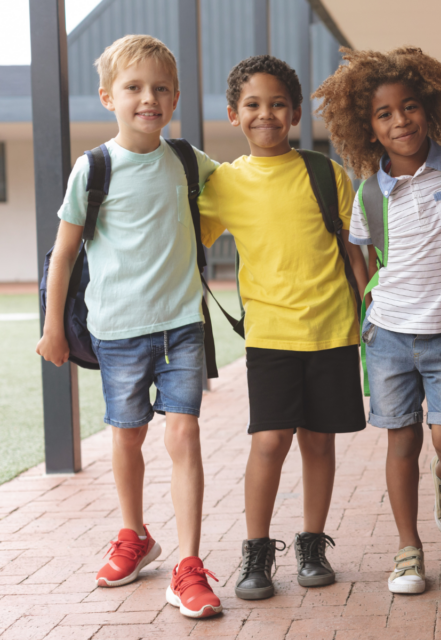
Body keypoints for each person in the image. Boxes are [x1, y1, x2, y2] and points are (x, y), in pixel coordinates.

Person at [35, 35, 221, 618]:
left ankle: (188, 566)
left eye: (161, 88)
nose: (149, 98)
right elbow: (63, 255)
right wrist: (52, 329)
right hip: (116, 330)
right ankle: (135, 535)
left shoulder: (189, 161)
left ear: (176, 98)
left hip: (182, 325)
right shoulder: (93, 168)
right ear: (107, 97)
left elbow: (248, 189)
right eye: (134, 87)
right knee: (127, 435)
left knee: (183, 433)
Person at [313, 47, 441, 595]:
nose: (401, 121)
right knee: (401, 442)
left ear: (430, 107)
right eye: (385, 114)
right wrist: (366, 321)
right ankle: (408, 550)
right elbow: (368, 261)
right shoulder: (370, 191)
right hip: (389, 336)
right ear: (367, 128)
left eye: (410, 106)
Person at [197, 55, 368, 601]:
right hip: (269, 335)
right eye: (252, 105)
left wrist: (369, 312)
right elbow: (184, 237)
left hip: (333, 329)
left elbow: (353, 250)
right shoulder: (223, 183)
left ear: (295, 113)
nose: (264, 114)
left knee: (319, 442)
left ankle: (312, 545)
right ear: (233, 114)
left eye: (276, 105)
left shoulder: (326, 172)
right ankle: (256, 551)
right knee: (269, 441)